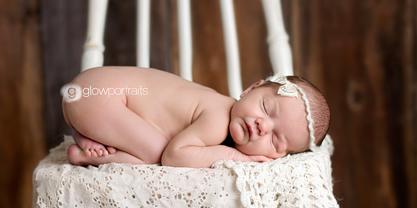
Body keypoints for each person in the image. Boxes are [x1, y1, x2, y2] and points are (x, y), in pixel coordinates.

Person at [63, 66, 329, 169]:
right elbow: (175, 156)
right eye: (266, 109)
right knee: (156, 151)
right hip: (100, 95)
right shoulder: (217, 117)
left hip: (88, 90)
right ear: (250, 89)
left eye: (275, 138)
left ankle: (85, 131)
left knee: (145, 137)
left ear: (277, 157)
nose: (262, 125)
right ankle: (85, 155)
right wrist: (239, 157)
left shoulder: (217, 107)